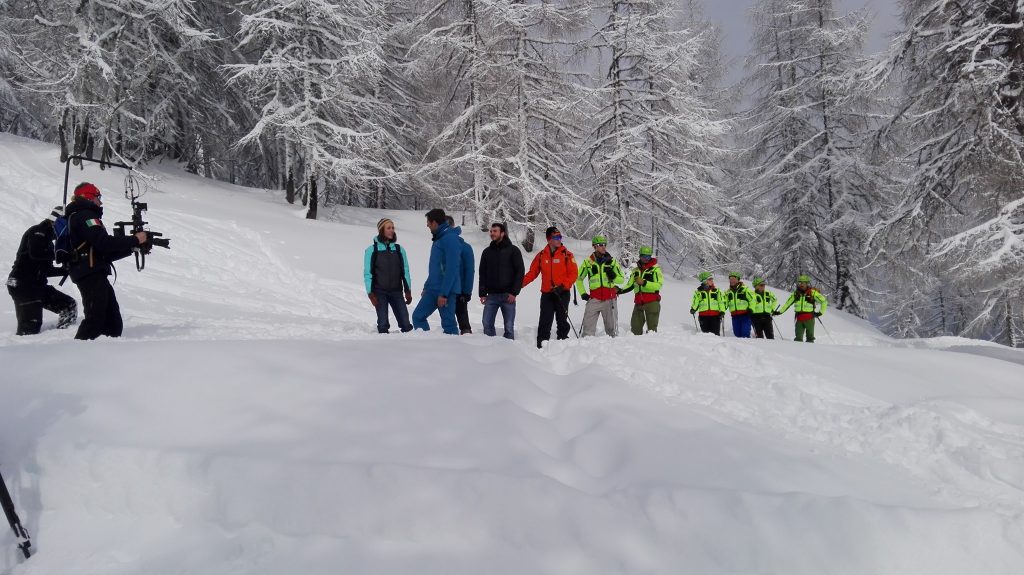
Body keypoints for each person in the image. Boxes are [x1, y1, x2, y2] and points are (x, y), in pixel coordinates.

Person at [65, 182, 149, 340]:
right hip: (89, 273)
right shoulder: (84, 215)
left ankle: (104, 356)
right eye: (98, 197)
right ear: (89, 197)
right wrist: (134, 239)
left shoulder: (84, 216)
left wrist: (131, 248)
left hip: (93, 271)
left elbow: (103, 253)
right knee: (95, 320)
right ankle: (76, 354)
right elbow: (104, 242)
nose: (100, 202)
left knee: (112, 322)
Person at [6, 206, 77, 335]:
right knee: (31, 325)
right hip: (23, 284)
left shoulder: (48, 240)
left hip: (36, 285)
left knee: (68, 305)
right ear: (58, 222)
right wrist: (61, 255)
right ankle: (27, 349)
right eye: (66, 226)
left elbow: (44, 269)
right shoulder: (38, 232)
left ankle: (62, 337)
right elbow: (36, 253)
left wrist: (64, 270)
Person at [522, 226, 578, 349]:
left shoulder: (567, 255)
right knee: (545, 321)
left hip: (562, 293)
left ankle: (563, 345)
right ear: (549, 239)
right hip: (547, 294)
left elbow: (573, 274)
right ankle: (541, 346)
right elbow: (532, 273)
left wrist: (563, 286)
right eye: (556, 237)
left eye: (560, 237)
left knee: (562, 320)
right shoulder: (541, 255)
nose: (559, 239)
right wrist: (519, 284)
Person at [412, 209, 462, 335]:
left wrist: (444, 294)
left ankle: (453, 352)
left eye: (428, 222)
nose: (427, 225)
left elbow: (452, 268)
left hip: (446, 291)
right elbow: (436, 268)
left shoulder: (450, 239)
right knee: (418, 316)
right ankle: (427, 346)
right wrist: (427, 286)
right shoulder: (439, 239)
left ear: (434, 222)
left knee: (448, 324)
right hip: (433, 289)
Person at [363, 218, 413, 334]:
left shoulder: (399, 249)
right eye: (388, 228)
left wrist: (408, 290)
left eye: (393, 228)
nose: (392, 230)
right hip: (379, 292)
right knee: (383, 325)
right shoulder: (372, 250)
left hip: (397, 292)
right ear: (381, 230)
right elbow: (368, 273)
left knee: (406, 325)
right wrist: (370, 293)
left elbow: (405, 271)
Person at [478, 222, 524, 339]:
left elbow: (520, 272)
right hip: (491, 296)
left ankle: (508, 352)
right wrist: (482, 293)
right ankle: (491, 349)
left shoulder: (514, 251)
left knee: (509, 327)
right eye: (491, 231)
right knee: (487, 323)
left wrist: (514, 292)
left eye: (495, 231)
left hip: (508, 296)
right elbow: (482, 273)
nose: (492, 233)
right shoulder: (487, 252)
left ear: (502, 233)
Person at [575, 235, 623, 337]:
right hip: (594, 299)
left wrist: (613, 276)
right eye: (600, 245)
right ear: (594, 247)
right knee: (587, 331)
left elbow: (621, 279)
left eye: (604, 245)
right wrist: (583, 293)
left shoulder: (612, 261)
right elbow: (579, 279)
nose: (603, 247)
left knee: (611, 331)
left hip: (610, 299)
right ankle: (587, 351)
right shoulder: (588, 262)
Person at [618, 245, 661, 335]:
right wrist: (619, 291)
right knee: (635, 329)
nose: (646, 258)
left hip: (652, 302)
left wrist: (644, 282)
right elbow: (630, 285)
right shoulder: (636, 270)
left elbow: (658, 286)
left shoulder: (655, 270)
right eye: (644, 256)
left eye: (648, 256)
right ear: (640, 256)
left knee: (652, 331)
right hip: (639, 303)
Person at [774, 274, 828, 343]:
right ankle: (798, 352)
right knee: (798, 338)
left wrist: (820, 312)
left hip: (809, 318)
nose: (802, 284)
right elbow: (787, 304)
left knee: (810, 338)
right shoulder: (796, 294)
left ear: (807, 283)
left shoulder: (812, 293)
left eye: (804, 283)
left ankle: (809, 352)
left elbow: (824, 301)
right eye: (800, 282)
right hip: (799, 318)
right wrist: (780, 312)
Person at [446, 216, 475, 335]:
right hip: (444, 290)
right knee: (447, 320)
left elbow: (469, 271)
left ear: (452, 226)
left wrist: (467, 292)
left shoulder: (465, 247)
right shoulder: (441, 246)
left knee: (463, 322)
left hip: (460, 291)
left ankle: (466, 342)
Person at [724, 271, 755, 338]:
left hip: (745, 316)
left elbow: (753, 299)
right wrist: (721, 310)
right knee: (737, 334)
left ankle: (748, 347)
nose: (732, 280)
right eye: (730, 279)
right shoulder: (728, 292)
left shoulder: (745, 289)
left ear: (738, 279)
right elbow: (725, 303)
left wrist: (751, 308)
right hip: (734, 317)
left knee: (745, 334)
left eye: (734, 279)